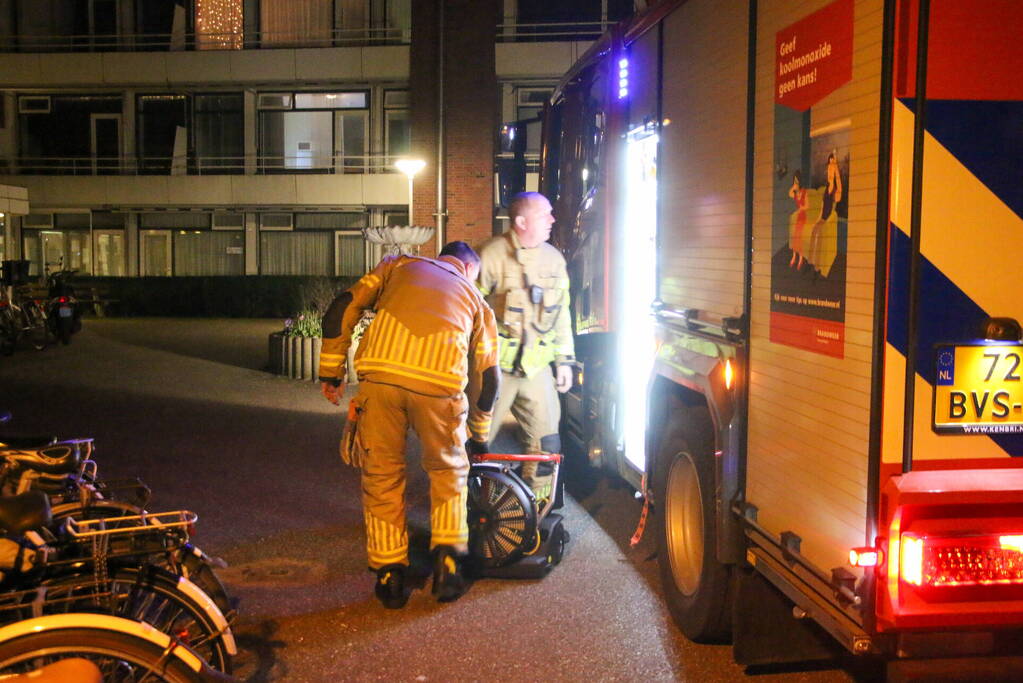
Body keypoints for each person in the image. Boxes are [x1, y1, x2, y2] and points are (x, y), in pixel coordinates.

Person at [318, 241, 500, 609]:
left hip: (381, 378)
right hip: (440, 385)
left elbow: (341, 308)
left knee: (382, 475)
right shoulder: (477, 301)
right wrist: (478, 436)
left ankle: (389, 575)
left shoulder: (397, 266)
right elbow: (489, 377)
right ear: (468, 269)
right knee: (448, 474)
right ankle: (448, 566)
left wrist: (331, 371)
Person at [476, 191, 574, 501]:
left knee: (547, 444)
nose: (552, 220)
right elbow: (465, 310)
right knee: (474, 444)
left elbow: (562, 313)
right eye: (545, 214)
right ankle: (470, 510)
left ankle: (533, 510)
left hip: (535, 369)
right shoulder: (490, 256)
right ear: (521, 221)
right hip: (494, 370)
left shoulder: (554, 260)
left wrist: (564, 360)